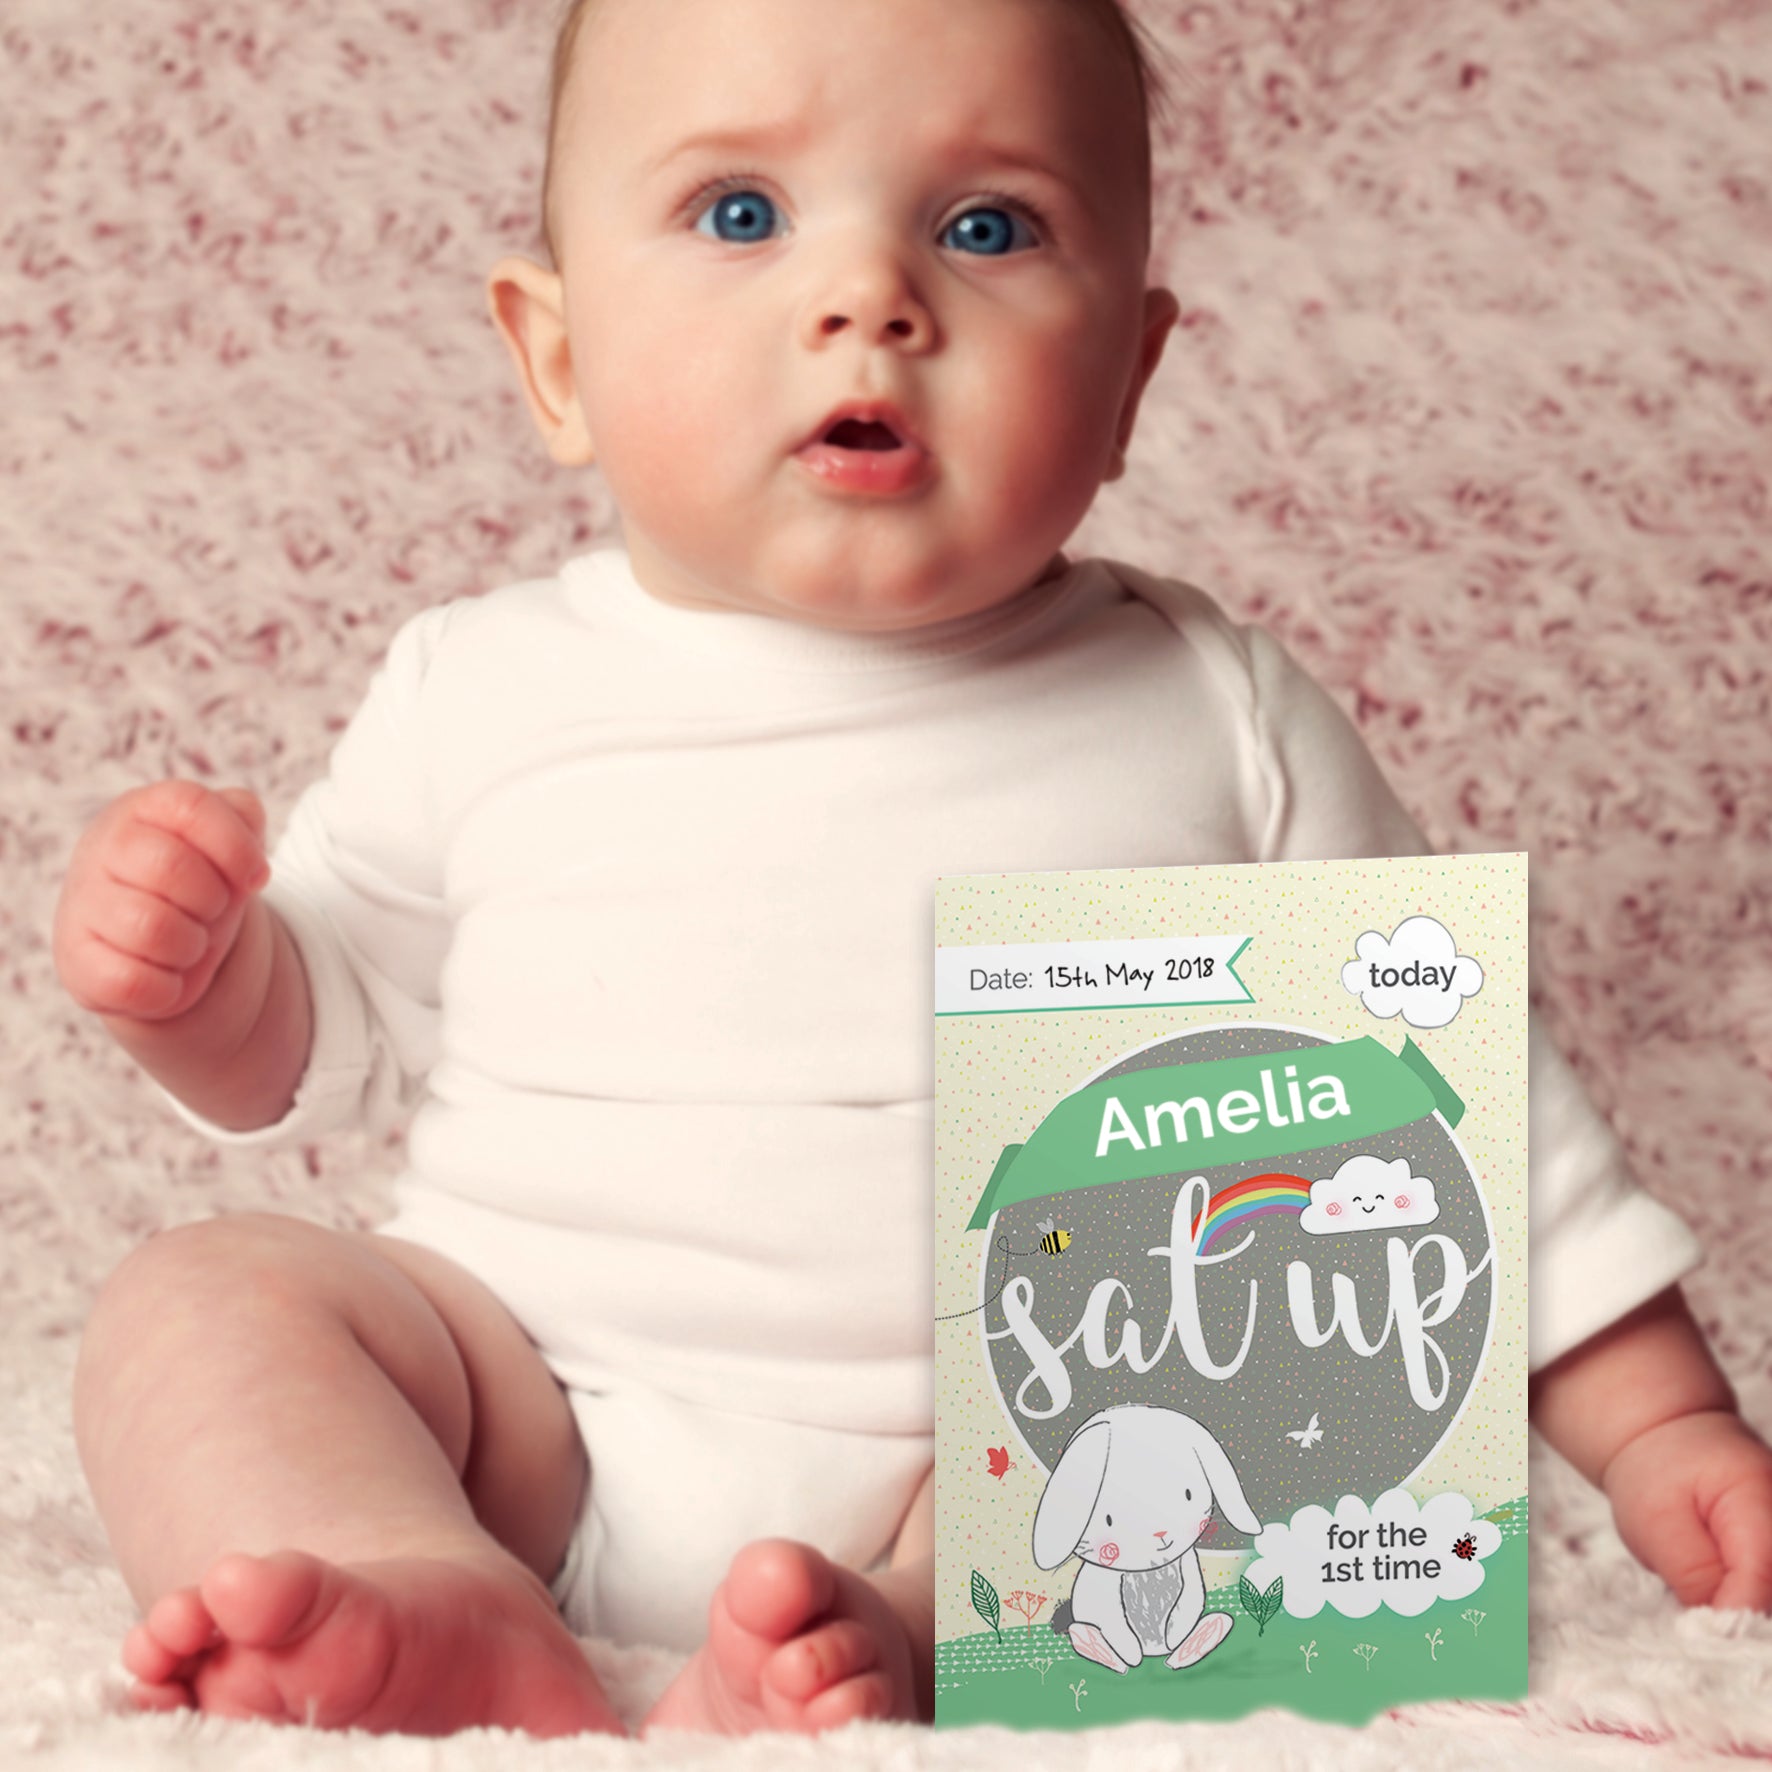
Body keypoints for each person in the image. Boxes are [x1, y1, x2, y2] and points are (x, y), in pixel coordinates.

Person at [51, 0, 1772, 1742]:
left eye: (987, 227)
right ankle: (427, 1577)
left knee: (1212, 1374)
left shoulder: (1214, 709)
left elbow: (1450, 1125)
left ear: (1130, 380)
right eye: (741, 214)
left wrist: (1663, 1432)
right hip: (536, 1414)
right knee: (201, 1305)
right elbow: (319, 1039)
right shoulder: (476, 684)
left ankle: (902, 1633)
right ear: (556, 359)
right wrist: (202, 983)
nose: (870, 299)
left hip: (1009, 1453)